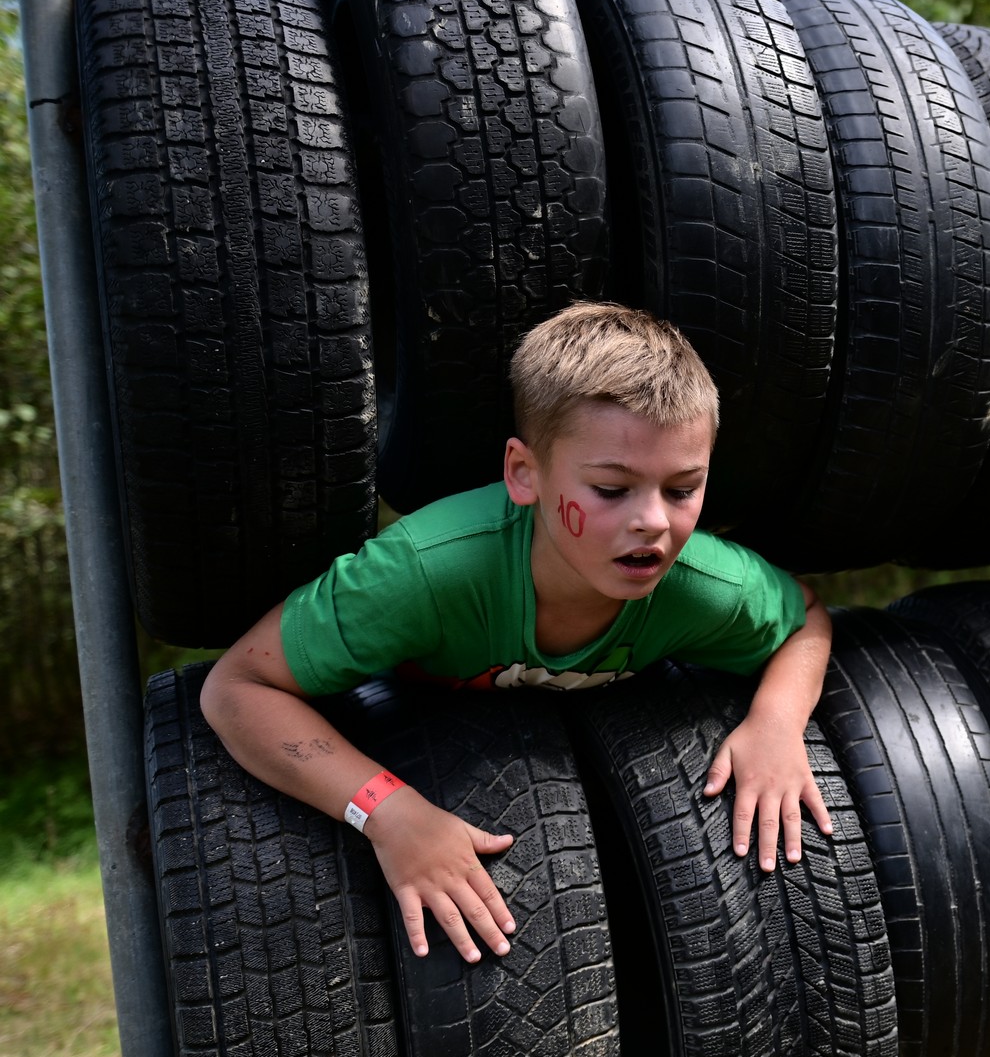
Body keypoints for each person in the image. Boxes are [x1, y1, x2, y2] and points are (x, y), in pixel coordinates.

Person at [201, 303, 832, 965]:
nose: (653, 522)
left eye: (682, 488)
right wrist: (386, 813)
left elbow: (806, 619)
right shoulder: (421, 574)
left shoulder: (704, 584)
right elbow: (237, 687)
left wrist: (777, 722)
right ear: (523, 474)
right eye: (611, 488)